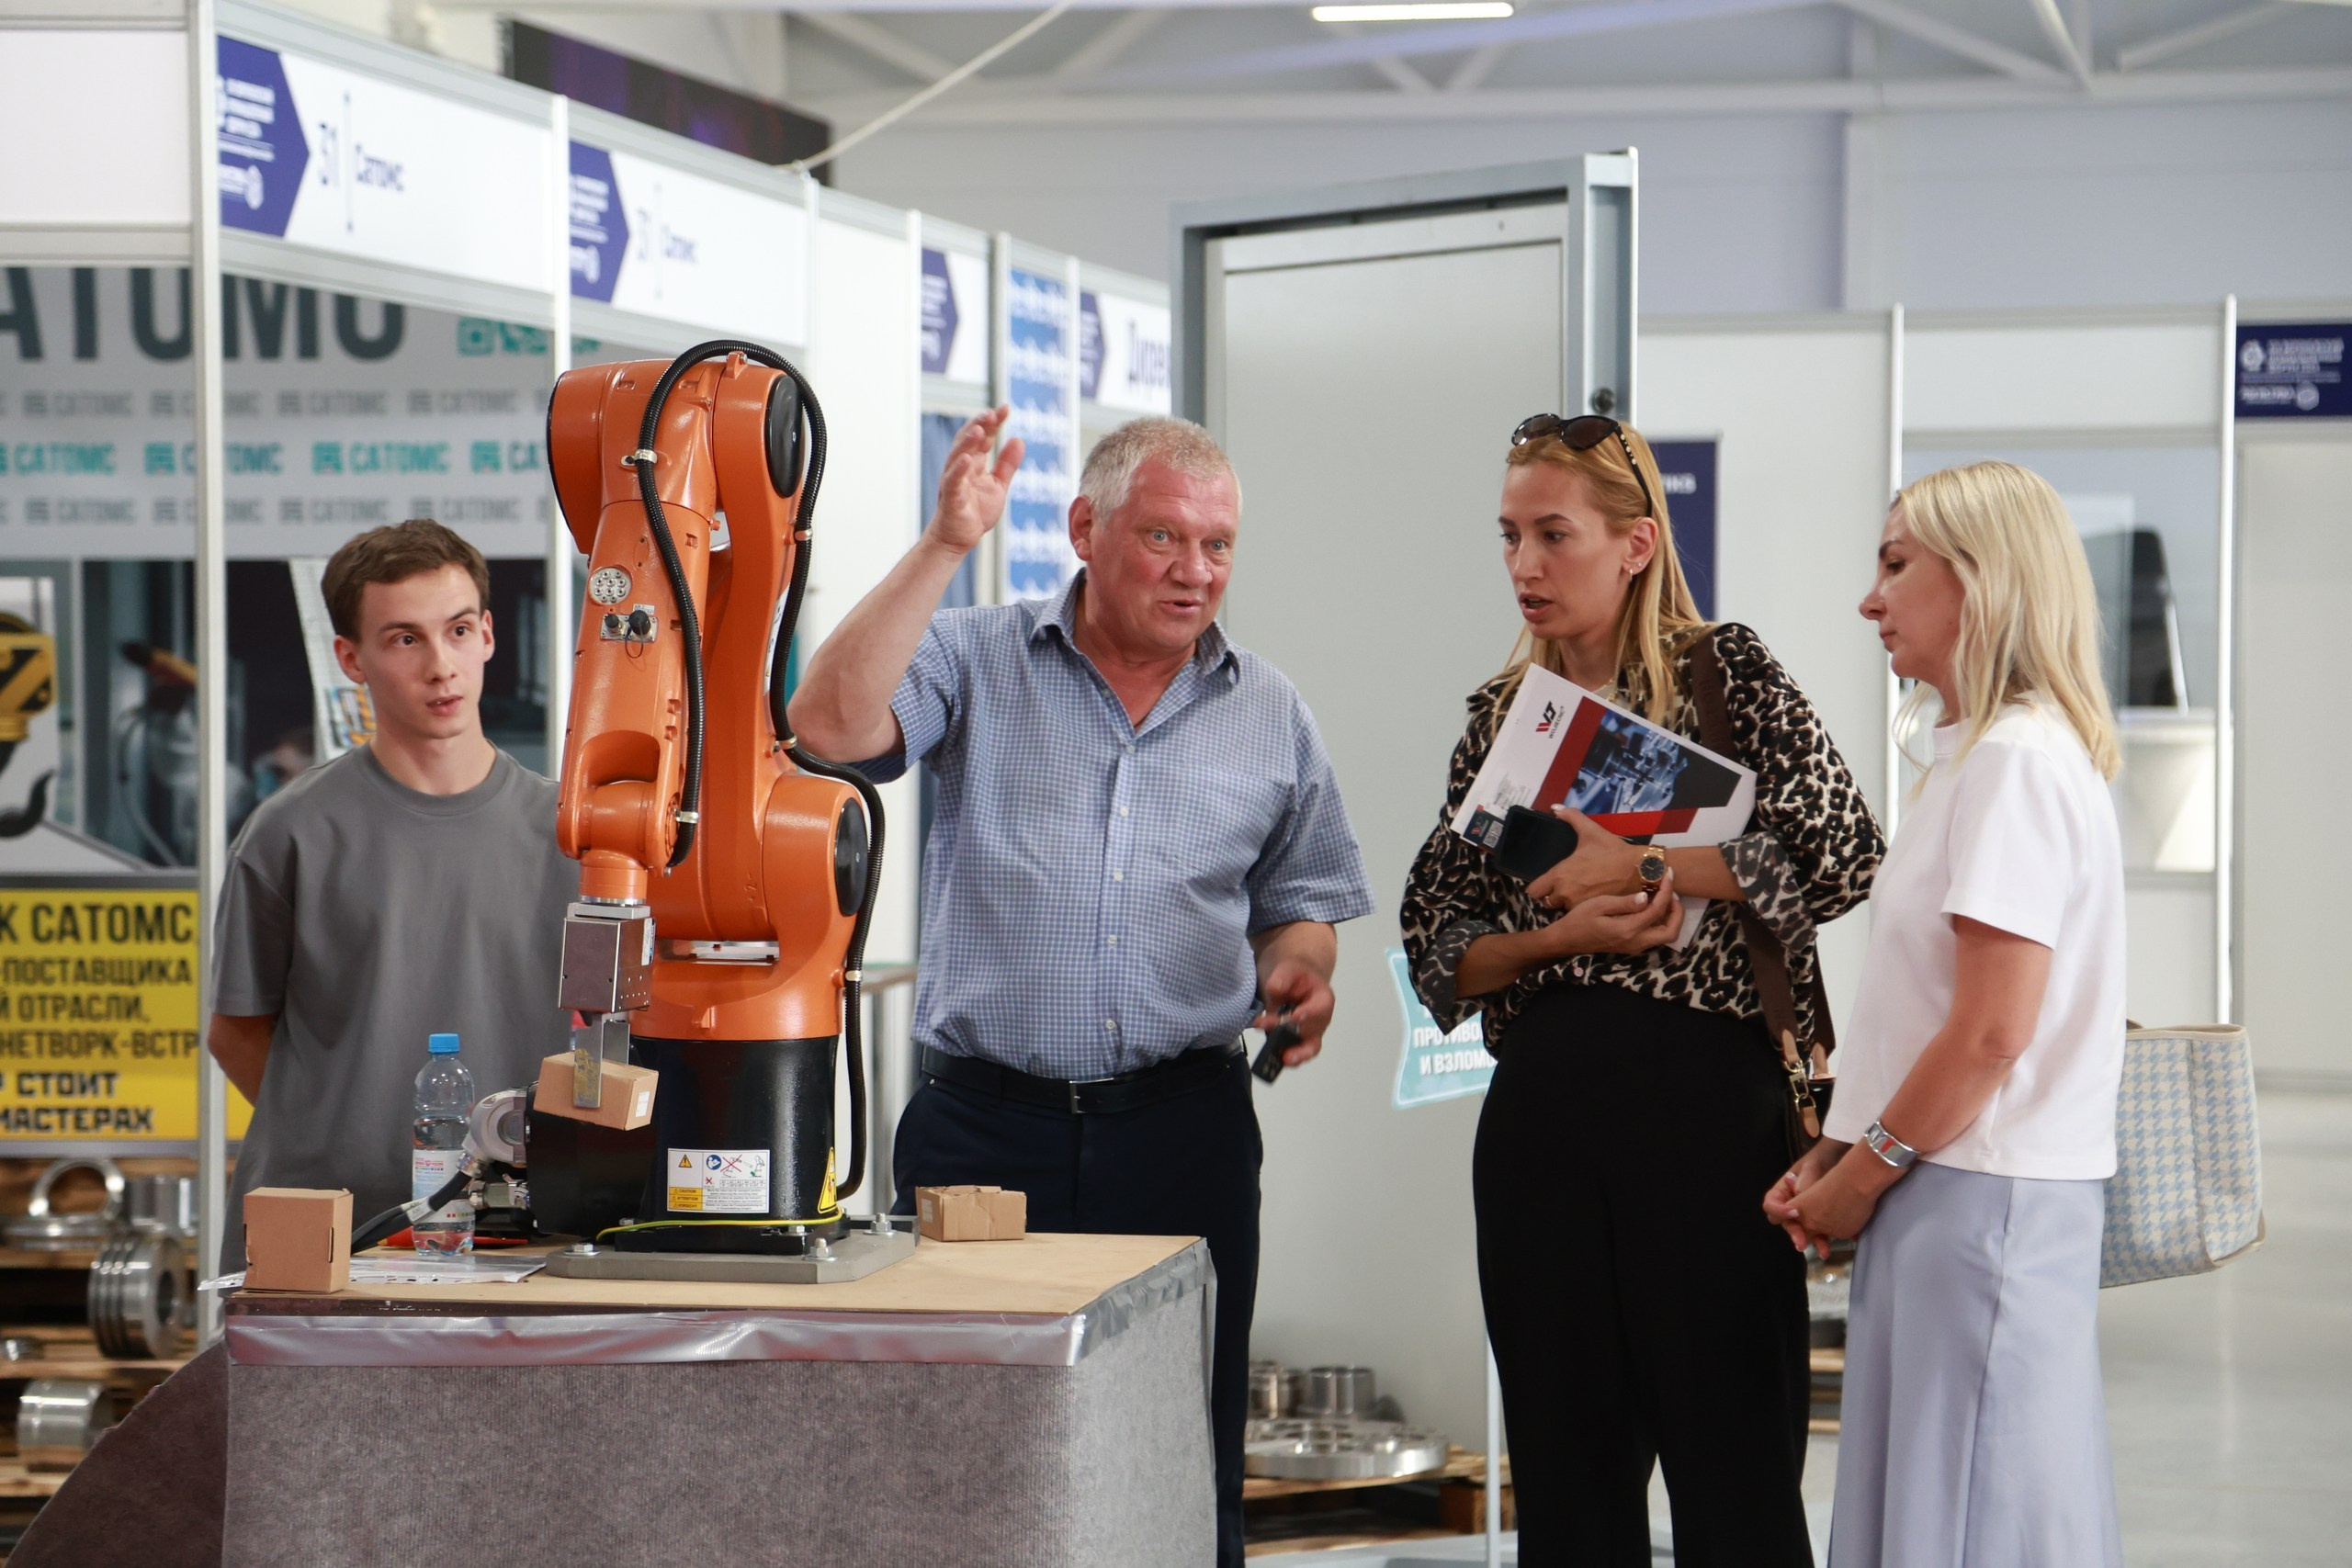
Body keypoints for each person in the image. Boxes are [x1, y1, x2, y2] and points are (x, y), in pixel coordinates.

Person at [786, 410, 1374, 1568]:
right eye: (1163, 538)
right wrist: (944, 544)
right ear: (1084, 529)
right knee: (962, 1452)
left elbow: (1302, 899)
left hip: (1183, 1134)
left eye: (1217, 545)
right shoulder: (977, 656)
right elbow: (826, 728)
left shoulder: (1269, 711)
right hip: (981, 1134)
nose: (1195, 570)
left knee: (1179, 1453)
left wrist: (1303, 968)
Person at [1400, 413, 1883, 1568]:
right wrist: (1555, 936)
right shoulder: (1502, 719)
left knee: (1736, 1482)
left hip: (1707, 1113)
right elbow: (1434, 945)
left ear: (1634, 543)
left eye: (1552, 534)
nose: (1524, 564)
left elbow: (1843, 854)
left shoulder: (1726, 674)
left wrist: (1644, 864)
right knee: (1567, 1491)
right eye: (1509, 535)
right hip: (1543, 1119)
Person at [1767, 461, 2127, 1566]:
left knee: (1969, 1516)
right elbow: (1926, 1008)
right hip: (1947, 1190)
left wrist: (1862, 1173)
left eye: (1894, 565)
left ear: (1981, 578)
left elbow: (1988, 1033)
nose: (1868, 600)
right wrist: (1838, 1152)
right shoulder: (1979, 759)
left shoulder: (2013, 764)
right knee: (1951, 1507)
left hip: (1978, 1198)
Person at [208, 521, 574, 1269]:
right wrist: (338, 1130)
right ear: (351, 658)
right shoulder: (291, 831)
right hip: (327, 1229)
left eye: (458, 630)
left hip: (522, 1232)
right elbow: (234, 1030)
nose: (441, 666)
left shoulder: (575, 835)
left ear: (488, 636)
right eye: (405, 639)